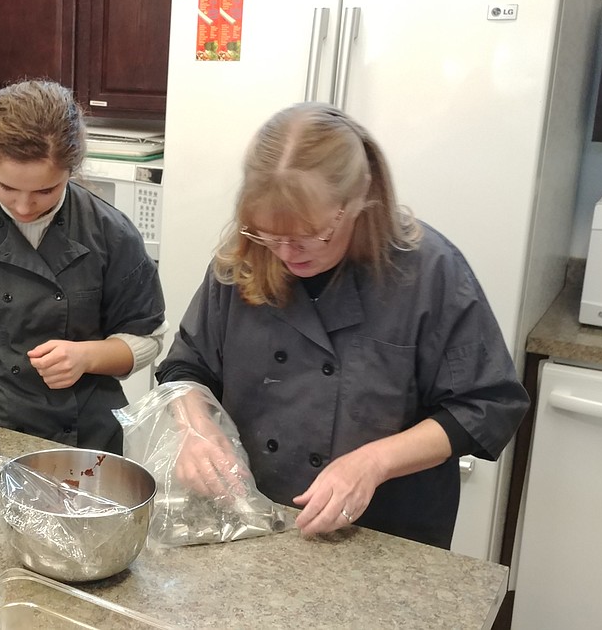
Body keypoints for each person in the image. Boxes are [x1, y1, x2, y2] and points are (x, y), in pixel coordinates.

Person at [155, 103, 529, 548]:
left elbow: (486, 405)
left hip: (385, 536)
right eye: (271, 235)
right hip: (251, 521)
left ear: (358, 201)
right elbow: (186, 369)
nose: (288, 254)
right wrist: (195, 428)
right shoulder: (245, 258)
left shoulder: (429, 273)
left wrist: (373, 462)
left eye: (310, 235)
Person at [0, 80, 166, 454]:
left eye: (45, 191)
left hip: (83, 442)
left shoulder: (110, 232)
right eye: (6, 188)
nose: (24, 207)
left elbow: (147, 338)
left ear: (71, 170)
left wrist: (86, 356)